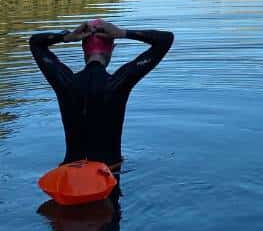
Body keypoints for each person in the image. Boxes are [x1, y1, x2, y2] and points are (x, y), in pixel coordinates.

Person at [29, 19, 174, 170]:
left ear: (83, 47)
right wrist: (123, 33)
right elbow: (166, 39)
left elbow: (35, 42)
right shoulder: (118, 83)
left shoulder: (65, 82)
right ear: (112, 48)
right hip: (108, 173)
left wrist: (65, 37)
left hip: (70, 172)